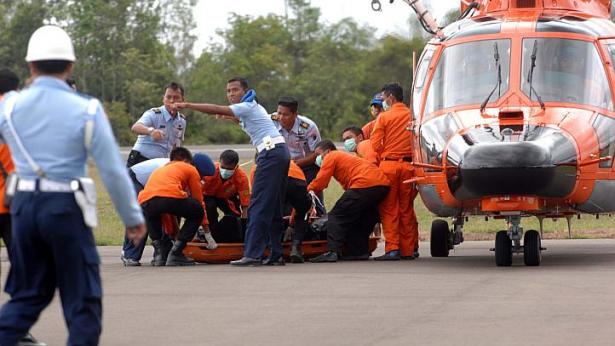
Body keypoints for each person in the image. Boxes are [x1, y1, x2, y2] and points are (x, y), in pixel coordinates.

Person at [0, 25, 146, 345]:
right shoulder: (88, 110)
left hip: (22, 207)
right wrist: (132, 218)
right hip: (64, 206)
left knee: (27, 297)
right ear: (70, 66)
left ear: (30, 65)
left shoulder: (8, 106)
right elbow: (112, 171)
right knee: (83, 301)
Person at [174, 77, 290, 266]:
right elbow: (244, 122)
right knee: (274, 206)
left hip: (270, 154)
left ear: (245, 91)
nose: (230, 94)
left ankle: (252, 254)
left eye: (235, 90)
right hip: (279, 152)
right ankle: (275, 253)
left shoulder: (247, 106)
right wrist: (230, 118)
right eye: (228, 91)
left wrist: (188, 105)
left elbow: (218, 108)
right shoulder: (253, 107)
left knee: (258, 205)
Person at [121, 148, 215, 266]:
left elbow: (166, 207)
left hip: (147, 198)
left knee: (153, 212)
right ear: (193, 165)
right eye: (201, 175)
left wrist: (174, 234)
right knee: (196, 210)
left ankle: (161, 255)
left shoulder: (168, 168)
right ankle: (131, 255)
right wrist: (206, 231)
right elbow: (198, 201)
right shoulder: (189, 169)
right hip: (133, 179)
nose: (201, 178)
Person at [308, 140, 390, 263]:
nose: (318, 158)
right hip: (381, 185)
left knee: (336, 216)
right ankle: (359, 251)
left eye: (319, 154)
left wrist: (307, 189)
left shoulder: (332, 155)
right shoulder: (345, 158)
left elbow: (321, 182)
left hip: (364, 184)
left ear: (328, 151)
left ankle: (332, 252)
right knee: (361, 217)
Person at [371, 82, 419, 260]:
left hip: (389, 166)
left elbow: (375, 144)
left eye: (383, 98)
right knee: (406, 208)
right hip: (409, 167)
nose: (383, 101)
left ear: (390, 98)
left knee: (390, 208)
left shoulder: (384, 117)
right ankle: (408, 250)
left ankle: (392, 249)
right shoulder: (413, 116)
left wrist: (386, 152)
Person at [250, 156, 311, 263]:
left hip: (278, 182)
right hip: (299, 182)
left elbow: (256, 196)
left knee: (272, 214)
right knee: (302, 212)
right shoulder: (292, 164)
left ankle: (275, 253)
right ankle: (296, 248)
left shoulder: (257, 167)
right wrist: (292, 224)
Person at [271, 96, 323, 209]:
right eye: (279, 113)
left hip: (305, 164)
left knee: (311, 194)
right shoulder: (270, 120)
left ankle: (318, 215)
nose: (280, 117)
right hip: (281, 164)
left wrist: (296, 164)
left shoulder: (308, 127)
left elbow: (316, 153)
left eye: (285, 114)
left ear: (295, 114)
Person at [126, 82, 187, 167]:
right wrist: (151, 131)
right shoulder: (154, 114)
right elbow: (135, 127)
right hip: (141, 160)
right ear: (163, 99)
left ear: (183, 100)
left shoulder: (182, 121)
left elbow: (176, 144)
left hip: (162, 165)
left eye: (176, 97)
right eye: (168, 97)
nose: (172, 101)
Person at [203, 150, 250, 243]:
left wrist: (244, 225)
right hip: (208, 196)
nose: (225, 171)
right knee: (210, 209)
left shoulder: (241, 177)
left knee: (235, 217)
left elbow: (245, 205)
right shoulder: (210, 171)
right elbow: (199, 195)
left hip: (226, 197)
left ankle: (231, 235)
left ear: (236, 166)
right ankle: (210, 234)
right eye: (223, 167)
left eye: (229, 169)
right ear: (220, 162)